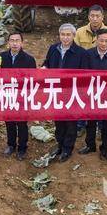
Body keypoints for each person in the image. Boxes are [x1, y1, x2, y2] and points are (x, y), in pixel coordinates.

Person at [42, 23, 87, 163]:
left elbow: (84, 75)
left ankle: (68, 149)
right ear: (59, 35)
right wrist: (44, 67)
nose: (65, 38)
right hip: (56, 91)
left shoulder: (81, 53)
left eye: (68, 35)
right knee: (59, 121)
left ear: (74, 36)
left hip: (72, 93)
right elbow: (47, 63)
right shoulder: (53, 49)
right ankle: (60, 145)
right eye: (63, 35)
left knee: (71, 123)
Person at [80, 29, 107, 161]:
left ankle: (105, 149)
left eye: (106, 41)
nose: (104, 43)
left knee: (106, 125)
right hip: (92, 94)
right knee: (90, 122)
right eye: (101, 40)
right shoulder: (88, 54)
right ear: (96, 40)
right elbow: (82, 73)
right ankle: (90, 145)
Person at [0, 32, 37, 160]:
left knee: (21, 123)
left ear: (22, 43)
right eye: (12, 40)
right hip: (7, 94)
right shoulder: (1, 57)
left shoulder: (29, 59)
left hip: (22, 96)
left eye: (17, 40)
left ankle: (22, 147)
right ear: (8, 43)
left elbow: (32, 80)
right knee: (9, 121)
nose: (14, 43)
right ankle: (11, 145)